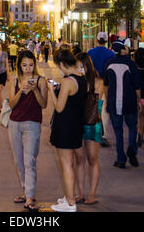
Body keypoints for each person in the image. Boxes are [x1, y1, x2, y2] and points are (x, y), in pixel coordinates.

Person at [8, 50, 48, 211]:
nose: (28, 68)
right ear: (19, 65)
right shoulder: (14, 80)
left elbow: (44, 104)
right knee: (19, 161)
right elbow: (11, 104)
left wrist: (35, 90)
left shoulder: (41, 81)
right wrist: (21, 90)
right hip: (14, 123)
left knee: (29, 161)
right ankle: (26, 191)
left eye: (31, 65)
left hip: (32, 124)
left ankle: (30, 197)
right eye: (24, 65)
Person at [49, 48, 87, 212]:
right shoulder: (81, 78)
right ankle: (68, 197)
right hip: (76, 125)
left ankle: (70, 203)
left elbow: (59, 107)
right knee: (69, 164)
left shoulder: (67, 81)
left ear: (62, 63)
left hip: (64, 126)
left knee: (66, 165)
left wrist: (51, 90)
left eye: (59, 66)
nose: (59, 69)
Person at [103, 41, 141, 168]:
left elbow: (106, 85)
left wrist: (108, 99)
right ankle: (132, 150)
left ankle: (120, 159)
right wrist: (139, 100)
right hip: (129, 101)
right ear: (122, 50)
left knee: (118, 132)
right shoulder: (131, 64)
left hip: (114, 102)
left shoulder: (108, 63)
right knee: (132, 127)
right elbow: (137, 85)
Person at [76, 52, 104, 205]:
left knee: (92, 159)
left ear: (88, 66)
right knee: (79, 159)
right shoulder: (74, 81)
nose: (80, 70)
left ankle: (92, 194)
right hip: (77, 123)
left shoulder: (98, 82)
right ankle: (81, 193)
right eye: (77, 67)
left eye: (82, 67)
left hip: (93, 124)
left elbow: (97, 106)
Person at [88, 32, 115, 147]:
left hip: (93, 82)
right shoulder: (111, 53)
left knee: (93, 107)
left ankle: (93, 133)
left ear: (97, 39)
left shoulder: (90, 52)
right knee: (104, 109)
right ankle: (103, 135)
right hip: (106, 83)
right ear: (106, 40)